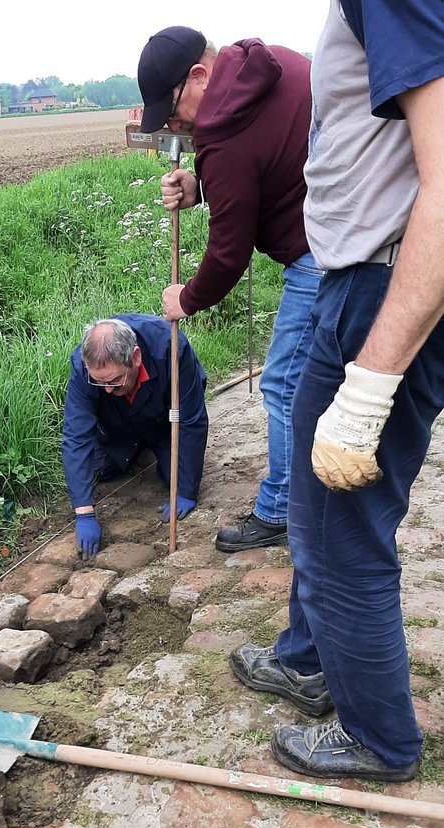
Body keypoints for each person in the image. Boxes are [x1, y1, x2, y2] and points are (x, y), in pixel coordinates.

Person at [230, 0, 444, 782]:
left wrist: (369, 384)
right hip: (358, 278)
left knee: (338, 530)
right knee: (324, 522)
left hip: (383, 287)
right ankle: (310, 662)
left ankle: (380, 740)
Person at [137, 26, 323, 552]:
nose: (174, 126)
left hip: (321, 257)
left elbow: (228, 254)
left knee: (283, 384)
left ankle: (281, 511)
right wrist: (202, 187)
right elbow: (272, 167)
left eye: (171, 113)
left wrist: (187, 298)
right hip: (358, 231)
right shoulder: (276, 63)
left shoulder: (224, 137)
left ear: (198, 76)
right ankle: (316, 489)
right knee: (316, 380)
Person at [63, 315, 208, 556]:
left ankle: (156, 448)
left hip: (165, 420)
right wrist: (84, 512)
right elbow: (77, 436)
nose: (108, 390)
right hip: (118, 423)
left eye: (115, 381)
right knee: (98, 470)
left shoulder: (171, 349)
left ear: (136, 358)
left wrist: (186, 491)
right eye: (100, 384)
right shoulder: (83, 367)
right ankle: (134, 446)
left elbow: (192, 422)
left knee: (174, 478)